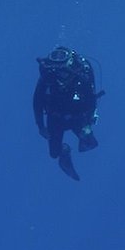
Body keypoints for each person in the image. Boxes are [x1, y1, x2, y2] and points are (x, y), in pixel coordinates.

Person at [33, 46, 103, 181]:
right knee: (54, 153)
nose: (61, 75)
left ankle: (81, 142)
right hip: (55, 119)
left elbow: (91, 100)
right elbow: (37, 102)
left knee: (91, 144)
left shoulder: (83, 75)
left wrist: (87, 125)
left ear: (71, 61)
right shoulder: (48, 76)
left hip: (78, 117)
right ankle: (65, 153)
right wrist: (41, 126)